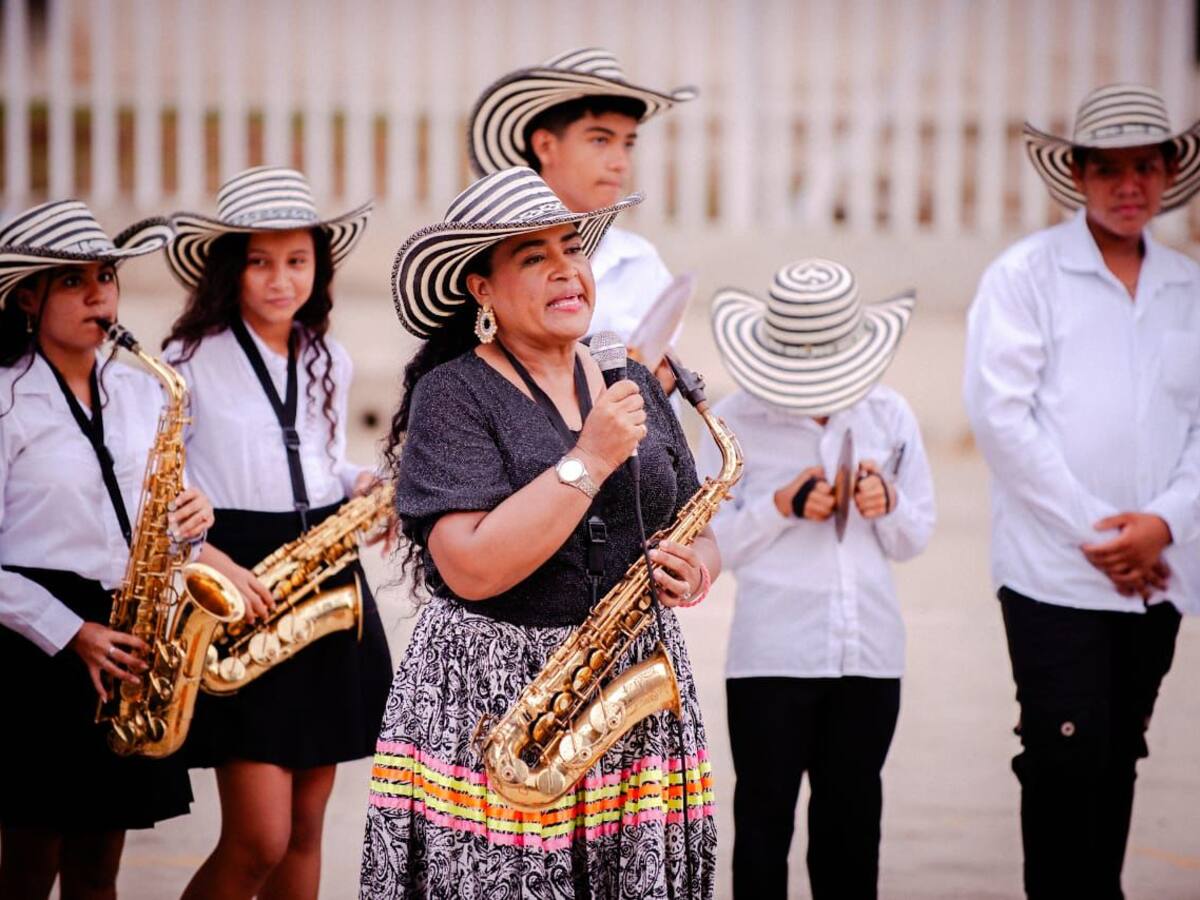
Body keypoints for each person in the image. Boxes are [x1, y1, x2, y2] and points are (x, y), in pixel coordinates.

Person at [360, 166, 721, 899]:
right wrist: (588, 459)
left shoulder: (629, 379)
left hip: (630, 693)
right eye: (534, 258)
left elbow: (693, 518)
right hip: (494, 706)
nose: (567, 272)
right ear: (480, 289)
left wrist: (699, 563)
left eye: (573, 249)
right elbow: (467, 567)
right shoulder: (452, 395)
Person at [963, 83, 1200, 900]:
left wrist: (1164, 524)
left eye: (1146, 165)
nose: (1128, 186)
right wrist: (1105, 536)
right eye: (1109, 169)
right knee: (1063, 754)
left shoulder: (1188, 287)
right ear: (1078, 174)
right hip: (1054, 573)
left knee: (1120, 750)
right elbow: (1002, 421)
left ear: (1170, 170)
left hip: (1158, 575)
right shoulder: (1025, 276)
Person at [158, 166, 393, 900]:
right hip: (241, 578)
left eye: (296, 260)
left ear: (318, 265)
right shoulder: (184, 361)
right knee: (258, 836)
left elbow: (319, 458)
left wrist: (357, 482)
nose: (280, 279)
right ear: (230, 267)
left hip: (323, 569)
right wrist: (207, 559)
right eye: (259, 261)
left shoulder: (328, 355)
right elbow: (155, 491)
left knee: (306, 827)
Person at [0, 201, 213, 899]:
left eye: (108, 277)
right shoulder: (6, 400)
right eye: (73, 281)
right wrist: (73, 633)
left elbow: (166, 516)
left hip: (127, 626)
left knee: (98, 871)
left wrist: (195, 519)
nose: (99, 295)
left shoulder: (140, 391)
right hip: (32, 643)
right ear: (27, 294)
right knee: (28, 867)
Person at [701, 259, 932, 899]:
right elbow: (705, 542)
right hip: (772, 654)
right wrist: (779, 507)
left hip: (870, 657)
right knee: (764, 826)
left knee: (852, 829)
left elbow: (917, 536)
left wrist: (888, 504)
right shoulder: (733, 421)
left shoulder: (888, 414)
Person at [468, 48, 696, 358]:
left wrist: (660, 384)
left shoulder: (640, 262)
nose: (620, 163)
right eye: (600, 140)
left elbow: (661, 385)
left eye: (627, 144)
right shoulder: (489, 257)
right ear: (546, 146)